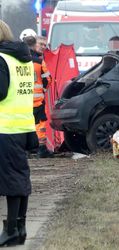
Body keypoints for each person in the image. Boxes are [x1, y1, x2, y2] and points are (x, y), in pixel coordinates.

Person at [0, 21, 37, 247]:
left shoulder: (2, 59)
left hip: (6, 127)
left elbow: (1, 91)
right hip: (23, 124)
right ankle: (20, 229)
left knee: (12, 180)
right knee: (20, 176)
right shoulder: (23, 58)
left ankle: (12, 230)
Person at [22, 35, 53, 158]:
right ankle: (41, 149)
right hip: (38, 100)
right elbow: (48, 79)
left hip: (22, 99)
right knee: (39, 124)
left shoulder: (18, 61)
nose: (43, 47)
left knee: (25, 123)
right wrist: (42, 90)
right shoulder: (39, 62)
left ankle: (26, 150)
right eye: (41, 44)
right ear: (34, 44)